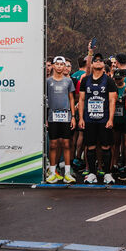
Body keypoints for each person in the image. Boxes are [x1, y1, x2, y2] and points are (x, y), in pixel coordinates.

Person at [78, 53, 117, 184]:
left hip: (104, 119)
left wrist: (111, 119)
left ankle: (107, 173)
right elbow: (82, 99)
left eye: (101, 60)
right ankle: (92, 173)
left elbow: (112, 101)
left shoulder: (109, 81)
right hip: (89, 119)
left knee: (106, 147)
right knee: (90, 147)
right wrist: (81, 118)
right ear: (92, 64)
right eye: (96, 60)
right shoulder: (85, 80)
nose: (99, 62)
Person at [45, 56, 77, 184]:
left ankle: (68, 173)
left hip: (66, 116)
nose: (59, 66)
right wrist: (45, 118)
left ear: (65, 67)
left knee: (66, 144)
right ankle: (52, 172)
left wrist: (73, 117)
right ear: (52, 66)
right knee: (53, 144)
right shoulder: (48, 82)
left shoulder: (68, 82)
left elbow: (71, 99)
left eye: (61, 64)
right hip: (52, 117)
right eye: (56, 64)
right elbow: (45, 101)